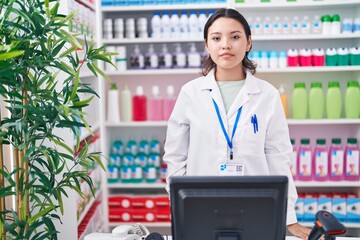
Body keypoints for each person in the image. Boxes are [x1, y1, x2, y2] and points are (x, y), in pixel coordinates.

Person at [163, 8, 311, 239]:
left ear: (248, 42)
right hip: (200, 207)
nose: (225, 45)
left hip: (257, 207)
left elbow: (278, 157)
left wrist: (288, 216)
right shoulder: (190, 93)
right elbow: (175, 157)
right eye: (216, 38)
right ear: (207, 45)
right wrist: (182, 204)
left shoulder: (267, 94)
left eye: (235, 37)